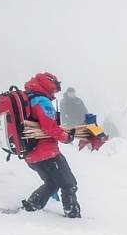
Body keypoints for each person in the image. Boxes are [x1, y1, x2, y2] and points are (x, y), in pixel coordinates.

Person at [21, 72, 82, 218]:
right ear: (50, 84)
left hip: (31, 154)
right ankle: (73, 215)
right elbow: (50, 127)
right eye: (55, 88)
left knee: (52, 183)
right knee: (69, 184)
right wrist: (67, 137)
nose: (55, 92)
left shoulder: (29, 98)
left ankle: (31, 206)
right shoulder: (42, 101)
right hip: (47, 153)